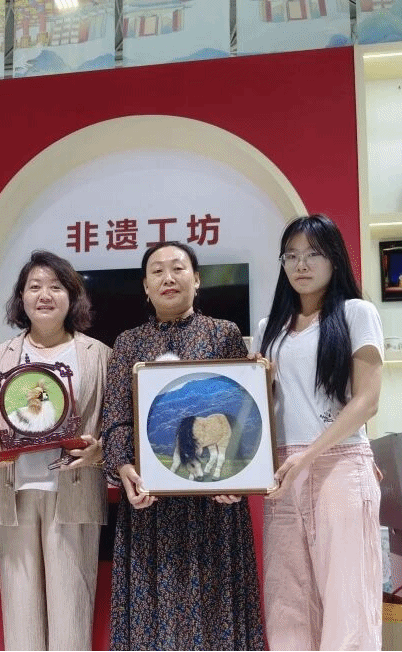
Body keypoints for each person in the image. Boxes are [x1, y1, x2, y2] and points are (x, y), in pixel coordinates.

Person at [100, 241, 264, 651]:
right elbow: (116, 419)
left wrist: (238, 476)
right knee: (153, 613)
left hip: (216, 505)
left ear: (197, 279)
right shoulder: (128, 343)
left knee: (216, 609)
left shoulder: (224, 334)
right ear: (145, 286)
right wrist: (124, 468)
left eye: (178, 268)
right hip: (151, 506)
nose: (168, 278)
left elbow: (242, 412)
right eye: (157, 271)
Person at [254, 214, 384, 650]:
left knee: (348, 600)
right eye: (291, 256)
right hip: (282, 472)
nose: (301, 265)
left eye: (313, 254)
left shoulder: (356, 313)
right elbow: (263, 407)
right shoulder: (268, 329)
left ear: (334, 259)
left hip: (339, 465)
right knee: (287, 600)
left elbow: (367, 402)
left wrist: (306, 457)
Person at [0, 250, 110, 650]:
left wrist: (100, 450)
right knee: (19, 609)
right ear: (21, 297)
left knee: (71, 607)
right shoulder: (1, 355)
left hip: (74, 490)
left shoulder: (98, 355)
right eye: (34, 286)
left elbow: (116, 422)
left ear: (72, 296)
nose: (45, 295)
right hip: (14, 491)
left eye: (56, 287)